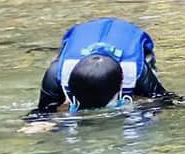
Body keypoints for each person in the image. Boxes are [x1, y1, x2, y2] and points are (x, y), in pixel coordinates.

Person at [29, 18, 176, 117]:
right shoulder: (56, 73)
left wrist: (147, 108)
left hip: (128, 37)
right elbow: (44, 110)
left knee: (146, 99)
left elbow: (164, 99)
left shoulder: (136, 71)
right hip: (80, 37)